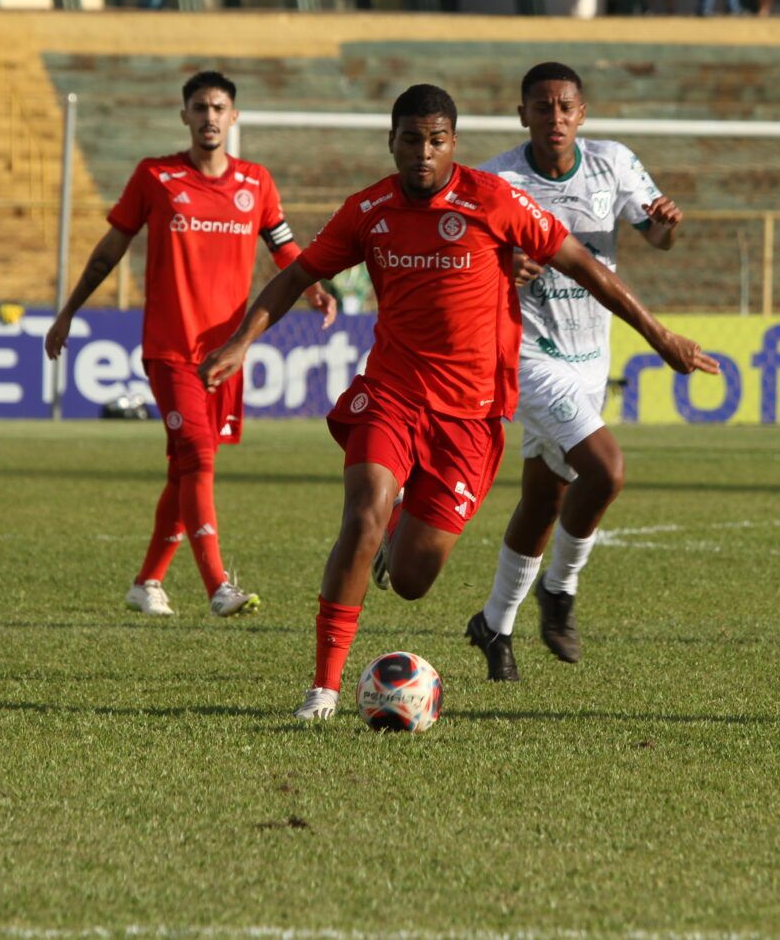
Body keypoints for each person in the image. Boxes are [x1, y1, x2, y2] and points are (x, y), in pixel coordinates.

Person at [196, 84, 718, 720]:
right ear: (391, 142)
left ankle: (410, 537)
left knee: (413, 580)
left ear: (453, 144)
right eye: (410, 140)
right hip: (391, 393)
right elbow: (298, 274)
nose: (422, 153)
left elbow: (584, 264)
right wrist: (242, 343)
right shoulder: (369, 210)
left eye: (436, 141)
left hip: (471, 416)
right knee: (362, 517)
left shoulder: (494, 200)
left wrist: (661, 336)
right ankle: (324, 689)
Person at [45, 71, 336, 619]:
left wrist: (315, 286)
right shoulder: (156, 177)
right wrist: (69, 311)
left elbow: (284, 247)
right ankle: (218, 585)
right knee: (198, 456)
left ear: (234, 117)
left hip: (226, 355)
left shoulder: (257, 183)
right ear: (184, 116)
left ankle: (147, 582)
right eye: (199, 107)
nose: (209, 116)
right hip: (170, 349)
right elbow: (110, 249)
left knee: (184, 469)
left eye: (219, 107)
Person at [459, 62, 682, 681]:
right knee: (605, 470)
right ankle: (559, 589)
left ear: (581, 114)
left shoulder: (612, 163)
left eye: (565, 107)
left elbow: (655, 237)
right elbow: (467, 267)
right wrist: (504, 270)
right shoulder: (496, 179)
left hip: (590, 355)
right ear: (522, 113)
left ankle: (494, 624)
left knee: (544, 496)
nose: (554, 117)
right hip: (525, 354)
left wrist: (663, 229)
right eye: (542, 106)